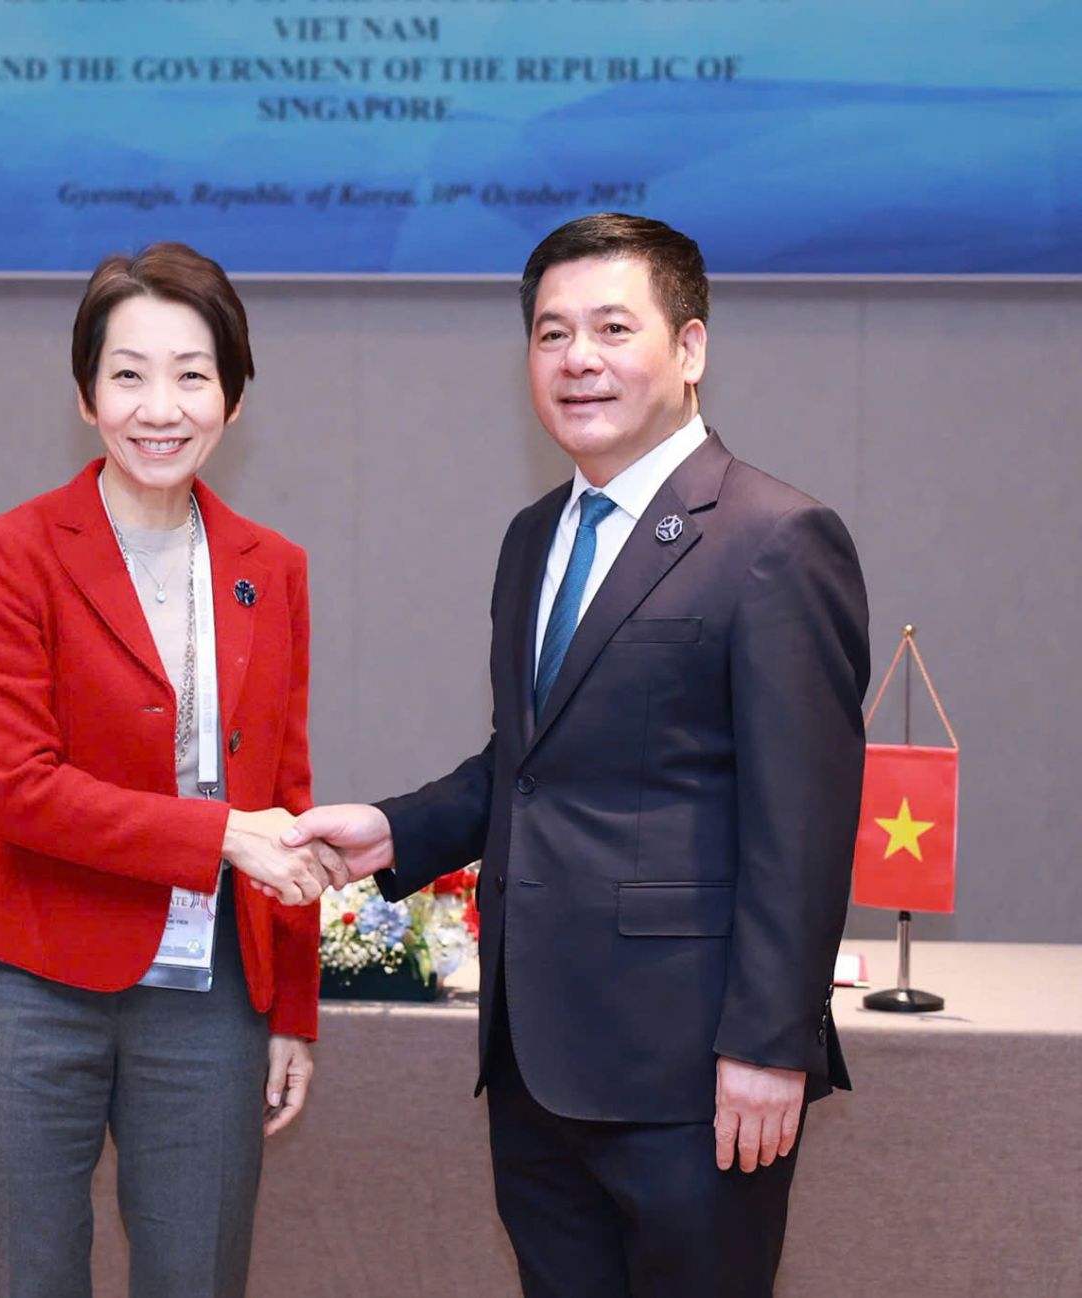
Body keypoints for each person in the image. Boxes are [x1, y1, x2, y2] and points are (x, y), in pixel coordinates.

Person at [286, 213, 870, 1297]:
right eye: (551, 333)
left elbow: (805, 820)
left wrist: (769, 1043)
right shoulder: (534, 537)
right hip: (535, 1064)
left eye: (611, 327)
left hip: (694, 1072)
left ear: (689, 348)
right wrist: (395, 830)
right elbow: (533, 761)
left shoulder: (773, 538)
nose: (577, 358)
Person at [0, 241, 329, 1298]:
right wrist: (222, 835)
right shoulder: (12, 552)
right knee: (26, 1276)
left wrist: (293, 1003)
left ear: (233, 398)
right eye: (128, 374)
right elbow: (18, 789)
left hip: (211, 997)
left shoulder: (273, 568)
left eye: (192, 375)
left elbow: (287, 797)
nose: (161, 408)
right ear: (86, 395)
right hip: (29, 988)